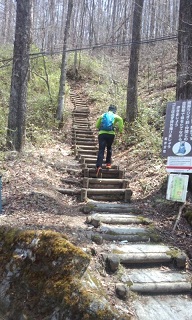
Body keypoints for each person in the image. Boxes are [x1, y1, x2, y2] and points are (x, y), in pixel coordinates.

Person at [95, 104, 124, 177]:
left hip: (102, 134)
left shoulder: (103, 115)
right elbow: (121, 120)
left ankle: (99, 166)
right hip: (111, 134)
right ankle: (108, 164)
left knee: (101, 149)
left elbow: (97, 126)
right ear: (114, 111)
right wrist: (120, 130)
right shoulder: (115, 116)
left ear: (108, 109)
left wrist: (100, 127)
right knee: (109, 148)